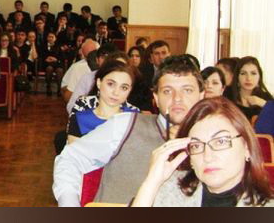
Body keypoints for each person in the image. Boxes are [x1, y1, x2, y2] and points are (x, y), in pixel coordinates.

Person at [53, 55, 205, 207]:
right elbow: (70, 159)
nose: (177, 98)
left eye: (187, 90)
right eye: (167, 91)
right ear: (156, 98)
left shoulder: (211, 141)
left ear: (202, 95)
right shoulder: (126, 125)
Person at [132, 97, 273, 207]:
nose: (207, 156)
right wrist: (152, 182)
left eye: (220, 141)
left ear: (247, 148)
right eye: (197, 145)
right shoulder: (170, 190)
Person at [67, 60, 139, 145]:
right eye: (110, 84)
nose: (116, 92)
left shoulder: (134, 118)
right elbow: (74, 152)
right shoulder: (80, 119)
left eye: (124, 88)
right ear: (99, 83)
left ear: (130, 90)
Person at [226, 56, 273, 122]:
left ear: (259, 76)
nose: (248, 78)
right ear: (237, 76)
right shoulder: (227, 95)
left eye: (253, 73)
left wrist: (264, 104)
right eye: (243, 73)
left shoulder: (266, 98)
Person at [132, 40, 172, 112]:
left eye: (164, 53)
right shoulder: (141, 72)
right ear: (151, 57)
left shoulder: (176, 72)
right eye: (157, 54)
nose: (161, 57)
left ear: (169, 54)